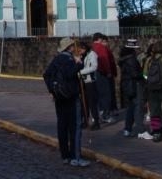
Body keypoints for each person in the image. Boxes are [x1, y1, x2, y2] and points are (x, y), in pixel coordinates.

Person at [43, 37, 90, 167]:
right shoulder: (69, 59)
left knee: (62, 126)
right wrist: (79, 63)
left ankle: (65, 155)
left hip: (59, 96)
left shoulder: (56, 59)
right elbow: (70, 73)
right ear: (70, 48)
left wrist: (52, 90)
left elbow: (46, 74)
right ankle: (75, 157)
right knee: (75, 126)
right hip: (71, 96)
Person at [118, 38, 152, 139]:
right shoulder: (132, 60)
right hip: (135, 85)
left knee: (130, 107)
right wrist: (144, 76)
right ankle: (141, 130)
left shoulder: (123, 59)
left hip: (127, 86)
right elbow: (135, 74)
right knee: (138, 107)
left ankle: (127, 129)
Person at [92, 32, 115, 123]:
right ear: (99, 39)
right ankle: (105, 114)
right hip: (102, 73)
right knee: (106, 94)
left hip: (93, 73)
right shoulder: (101, 47)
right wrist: (109, 72)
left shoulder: (91, 47)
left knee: (98, 95)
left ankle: (99, 113)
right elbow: (104, 60)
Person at [79, 42, 101, 130]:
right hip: (83, 81)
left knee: (92, 103)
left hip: (90, 82)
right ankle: (85, 120)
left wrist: (81, 72)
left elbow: (94, 67)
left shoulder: (92, 55)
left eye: (81, 49)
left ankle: (96, 122)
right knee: (84, 102)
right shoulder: (82, 56)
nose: (80, 51)